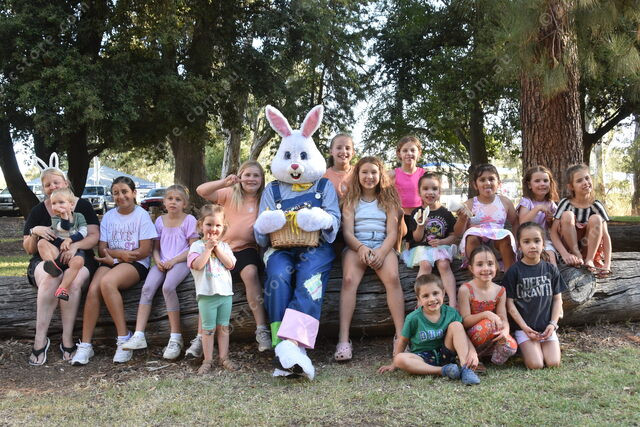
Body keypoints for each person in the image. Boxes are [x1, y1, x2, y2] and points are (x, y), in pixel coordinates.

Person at [72, 176, 157, 366]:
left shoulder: (142, 216)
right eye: (116, 193)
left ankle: (123, 337)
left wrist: (118, 256)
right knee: (93, 289)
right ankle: (85, 344)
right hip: (111, 261)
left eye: (125, 191)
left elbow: (144, 251)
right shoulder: (109, 216)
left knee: (107, 282)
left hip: (136, 264)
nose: (121, 196)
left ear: (134, 193)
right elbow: (102, 249)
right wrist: (118, 255)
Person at [23, 157, 99, 365]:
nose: (52, 187)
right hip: (46, 258)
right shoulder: (38, 211)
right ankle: (40, 340)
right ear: (43, 188)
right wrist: (35, 231)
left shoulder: (81, 206)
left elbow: (94, 236)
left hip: (78, 256)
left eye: (56, 182)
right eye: (47, 184)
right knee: (50, 279)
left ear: (65, 183)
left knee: (73, 281)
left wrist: (74, 245)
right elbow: (28, 248)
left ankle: (67, 339)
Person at [196, 160, 271, 354]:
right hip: (221, 248)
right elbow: (201, 191)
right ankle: (200, 336)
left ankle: (261, 329)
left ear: (262, 179)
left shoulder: (264, 198)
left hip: (246, 249)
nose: (251, 179)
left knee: (251, 273)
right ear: (240, 177)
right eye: (247, 175)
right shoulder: (230, 194)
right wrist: (224, 182)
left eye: (256, 175)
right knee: (208, 283)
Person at [334, 156, 405, 361]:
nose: (369, 176)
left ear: (380, 175)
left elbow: (392, 233)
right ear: (357, 174)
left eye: (374, 172)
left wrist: (381, 252)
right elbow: (347, 233)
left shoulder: (389, 199)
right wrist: (361, 248)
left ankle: (401, 337)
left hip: (382, 245)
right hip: (357, 246)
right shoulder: (350, 200)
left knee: (393, 278)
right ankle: (343, 339)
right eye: (364, 172)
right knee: (349, 280)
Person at [122, 185, 198, 359]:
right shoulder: (159, 221)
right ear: (164, 202)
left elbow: (193, 248)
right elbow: (155, 248)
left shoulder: (189, 220)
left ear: (185, 204)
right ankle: (139, 335)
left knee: (168, 287)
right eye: (170, 198)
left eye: (178, 199)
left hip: (181, 260)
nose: (173, 202)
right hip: (162, 261)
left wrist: (174, 260)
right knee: (147, 288)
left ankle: (175, 337)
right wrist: (158, 260)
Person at [378, 274, 480, 386]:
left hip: (446, 352)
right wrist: (393, 364)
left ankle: (466, 369)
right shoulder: (413, 318)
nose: (432, 299)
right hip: (422, 358)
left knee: (456, 325)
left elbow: (462, 335)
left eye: (435, 293)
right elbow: (403, 341)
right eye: (426, 296)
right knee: (399, 359)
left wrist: (472, 352)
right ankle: (443, 370)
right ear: (419, 299)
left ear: (443, 293)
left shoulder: (451, 313)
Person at [504, 222, 566, 369]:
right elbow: (509, 304)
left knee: (553, 363)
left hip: (547, 327)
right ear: (519, 246)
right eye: (526, 242)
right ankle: (524, 347)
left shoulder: (551, 269)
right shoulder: (514, 271)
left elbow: (557, 299)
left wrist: (553, 324)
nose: (532, 246)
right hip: (525, 329)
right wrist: (524, 327)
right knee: (536, 364)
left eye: (537, 241)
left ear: (543, 244)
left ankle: (541, 344)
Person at [188, 204, 237, 374]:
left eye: (218, 225)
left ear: (223, 227)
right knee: (208, 329)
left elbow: (230, 264)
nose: (213, 229)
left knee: (223, 327)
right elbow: (197, 265)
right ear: (200, 225)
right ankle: (207, 360)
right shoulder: (196, 247)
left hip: (225, 294)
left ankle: (224, 357)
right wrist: (208, 249)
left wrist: (217, 249)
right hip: (206, 295)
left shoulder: (225, 247)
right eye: (209, 224)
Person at [401, 172, 458, 308]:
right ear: (419, 192)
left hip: (440, 247)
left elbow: (453, 235)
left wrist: (442, 242)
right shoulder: (416, 212)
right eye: (425, 189)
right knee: (426, 265)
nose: (430, 192)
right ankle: (420, 301)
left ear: (439, 192)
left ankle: (453, 301)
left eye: (434, 189)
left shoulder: (446, 213)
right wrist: (421, 225)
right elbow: (416, 238)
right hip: (421, 248)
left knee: (443, 264)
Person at [458, 245, 517, 368]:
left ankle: (489, 356)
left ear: (496, 266)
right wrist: (486, 314)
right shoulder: (466, 290)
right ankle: (474, 354)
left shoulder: (500, 290)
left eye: (490, 264)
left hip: (492, 332)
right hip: (473, 335)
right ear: (471, 268)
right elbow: (465, 321)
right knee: (488, 325)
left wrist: (505, 331)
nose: (486, 268)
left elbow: (503, 317)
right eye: (479, 265)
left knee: (511, 346)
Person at [550, 164, 612, 277]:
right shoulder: (566, 203)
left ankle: (589, 260)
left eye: (587, 178)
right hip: (570, 249)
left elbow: (605, 235)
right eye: (579, 181)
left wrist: (607, 264)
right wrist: (564, 253)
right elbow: (553, 232)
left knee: (596, 219)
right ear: (571, 187)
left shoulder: (596, 205)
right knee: (567, 215)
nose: (585, 182)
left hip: (589, 247)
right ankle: (577, 255)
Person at [454, 163, 518, 271]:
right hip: (476, 248)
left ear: (499, 183)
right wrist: (462, 219)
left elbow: (515, 222)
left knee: (505, 238)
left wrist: (516, 240)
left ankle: (509, 274)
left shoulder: (505, 202)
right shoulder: (469, 204)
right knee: (472, 237)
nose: (487, 183)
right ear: (475, 185)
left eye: (491, 179)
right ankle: (477, 273)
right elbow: (457, 233)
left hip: (498, 246)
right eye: (482, 180)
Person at [37, 188, 88, 301]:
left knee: (78, 262)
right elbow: (63, 228)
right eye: (53, 203)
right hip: (57, 247)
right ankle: (51, 265)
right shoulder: (55, 218)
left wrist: (70, 240)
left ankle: (62, 288)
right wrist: (64, 216)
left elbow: (84, 232)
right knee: (41, 243)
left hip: (73, 248)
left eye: (61, 202)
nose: (57, 206)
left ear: (71, 204)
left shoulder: (79, 216)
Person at [389, 136, 426, 252]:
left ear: (419, 153)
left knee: (414, 249)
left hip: (418, 216)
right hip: (400, 217)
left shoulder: (424, 174)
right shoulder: (392, 174)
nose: (409, 153)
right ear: (399, 154)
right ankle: (397, 253)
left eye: (412, 150)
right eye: (405, 150)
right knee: (398, 246)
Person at [517, 165, 559, 264]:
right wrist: (538, 208)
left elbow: (556, 223)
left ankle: (554, 274)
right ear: (529, 185)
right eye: (537, 181)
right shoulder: (526, 202)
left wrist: (550, 220)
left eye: (545, 181)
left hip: (544, 240)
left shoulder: (550, 203)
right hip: (527, 240)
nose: (542, 184)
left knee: (551, 256)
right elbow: (522, 222)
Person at [323, 133, 354, 200]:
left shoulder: (359, 173)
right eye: (339, 148)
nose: (343, 151)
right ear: (331, 152)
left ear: (353, 153)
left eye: (347, 148)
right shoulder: (324, 176)